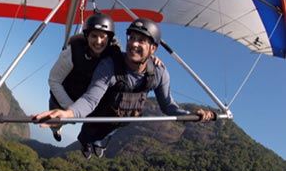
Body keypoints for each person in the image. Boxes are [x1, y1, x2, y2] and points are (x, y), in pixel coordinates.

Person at [34, 18, 215, 158]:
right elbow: (90, 99)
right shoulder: (109, 65)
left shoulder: (159, 72)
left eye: (141, 40)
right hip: (103, 112)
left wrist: (192, 117)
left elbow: (168, 106)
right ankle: (86, 143)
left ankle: (97, 142)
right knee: (89, 133)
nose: (134, 44)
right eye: (132, 38)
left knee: (106, 132)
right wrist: (68, 114)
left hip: (121, 118)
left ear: (153, 48)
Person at [48, 11, 120, 142]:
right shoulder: (73, 51)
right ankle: (56, 130)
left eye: (103, 37)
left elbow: (133, 62)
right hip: (62, 97)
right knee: (56, 121)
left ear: (109, 39)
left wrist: (151, 60)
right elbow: (53, 80)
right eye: (94, 36)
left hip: (86, 100)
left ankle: (93, 141)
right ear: (87, 36)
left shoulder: (113, 57)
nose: (98, 41)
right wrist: (71, 110)